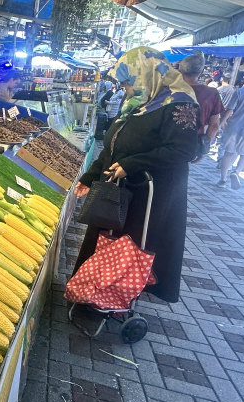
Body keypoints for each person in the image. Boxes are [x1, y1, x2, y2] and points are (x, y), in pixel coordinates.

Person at [73, 47, 199, 304]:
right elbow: (113, 145)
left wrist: (133, 163)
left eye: (128, 82)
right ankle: (94, 289)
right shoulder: (137, 103)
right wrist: (90, 175)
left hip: (151, 193)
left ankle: (116, 295)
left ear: (146, 74)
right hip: (119, 188)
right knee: (105, 241)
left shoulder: (179, 102)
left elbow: (183, 149)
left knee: (130, 245)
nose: (125, 89)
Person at [178, 52, 224, 161]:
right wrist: (204, 149)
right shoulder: (211, 93)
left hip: (167, 142)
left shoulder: (169, 89)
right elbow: (214, 126)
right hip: (193, 143)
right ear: (201, 72)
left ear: (180, 71)